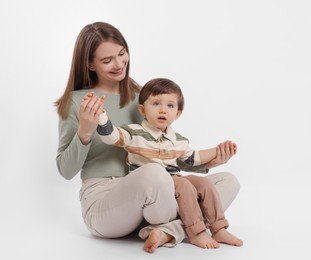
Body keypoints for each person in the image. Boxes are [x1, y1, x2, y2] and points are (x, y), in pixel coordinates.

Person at [54, 21, 240, 254]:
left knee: (227, 181)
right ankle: (182, 227)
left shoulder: (141, 96)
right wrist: (85, 131)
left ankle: (165, 231)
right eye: (107, 60)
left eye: (122, 54)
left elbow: (163, 152)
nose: (119, 63)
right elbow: (65, 170)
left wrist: (210, 162)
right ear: (89, 64)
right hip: (105, 200)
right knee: (155, 173)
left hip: (157, 196)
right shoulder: (76, 102)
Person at [92, 77, 243, 249]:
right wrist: (101, 117)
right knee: (184, 185)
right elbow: (112, 137)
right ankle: (197, 233)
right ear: (142, 109)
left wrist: (218, 150)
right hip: (153, 184)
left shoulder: (178, 140)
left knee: (204, 184)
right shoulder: (135, 132)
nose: (163, 110)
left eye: (170, 105)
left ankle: (218, 228)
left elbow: (195, 158)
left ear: (177, 113)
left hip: (175, 179)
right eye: (156, 103)